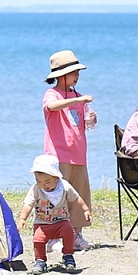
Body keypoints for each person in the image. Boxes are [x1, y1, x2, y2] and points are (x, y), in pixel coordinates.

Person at [40, 49, 97, 248]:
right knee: (58, 196)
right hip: (59, 155)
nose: (77, 76)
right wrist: (78, 100)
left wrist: (91, 118)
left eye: (78, 72)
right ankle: (54, 237)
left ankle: (76, 234)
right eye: (74, 73)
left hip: (78, 155)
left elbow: (82, 124)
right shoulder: (51, 94)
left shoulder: (78, 96)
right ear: (61, 75)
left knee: (79, 195)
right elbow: (52, 107)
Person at [19, 153, 82, 273]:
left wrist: (85, 210)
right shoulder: (36, 189)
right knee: (38, 239)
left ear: (56, 177)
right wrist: (23, 218)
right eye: (39, 181)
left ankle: (68, 255)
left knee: (69, 232)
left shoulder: (64, 186)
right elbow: (28, 204)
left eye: (47, 182)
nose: (43, 185)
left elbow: (76, 198)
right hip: (42, 223)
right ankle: (40, 260)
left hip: (61, 221)